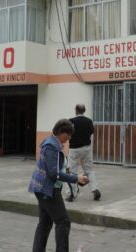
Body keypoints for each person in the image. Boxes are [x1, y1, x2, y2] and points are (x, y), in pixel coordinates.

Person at [28, 119, 89, 252]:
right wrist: (75, 178)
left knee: (45, 223)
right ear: (61, 132)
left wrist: (75, 178)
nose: (69, 138)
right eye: (68, 135)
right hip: (47, 190)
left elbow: (58, 169)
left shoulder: (54, 143)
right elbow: (53, 174)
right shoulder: (52, 146)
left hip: (43, 188)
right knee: (63, 221)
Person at [66, 104, 101, 202]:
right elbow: (91, 132)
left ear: (76, 110)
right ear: (84, 111)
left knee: (71, 172)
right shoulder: (89, 121)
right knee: (89, 170)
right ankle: (95, 189)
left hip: (74, 149)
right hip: (86, 148)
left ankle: (71, 195)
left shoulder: (71, 121)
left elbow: (68, 133)